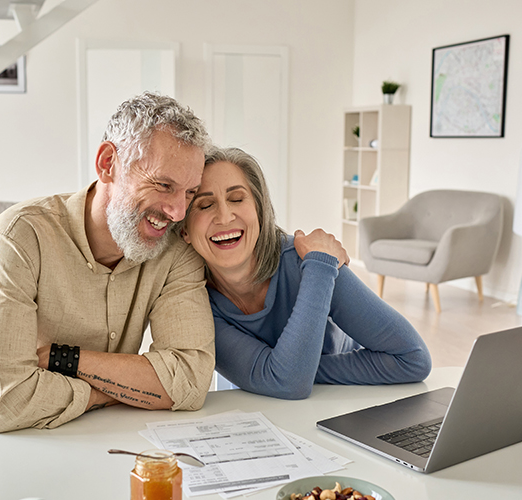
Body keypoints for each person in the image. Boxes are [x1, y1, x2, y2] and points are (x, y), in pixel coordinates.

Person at [0, 93, 216, 433]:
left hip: (100, 441)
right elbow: (6, 402)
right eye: (163, 185)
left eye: (189, 192)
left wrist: (62, 359)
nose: (178, 212)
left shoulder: (175, 252)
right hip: (3, 445)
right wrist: (114, 392)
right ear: (108, 163)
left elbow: (189, 380)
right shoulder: (19, 237)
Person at [182, 147, 431, 400]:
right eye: (205, 205)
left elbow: (413, 358)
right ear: (184, 231)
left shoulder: (312, 262)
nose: (225, 216)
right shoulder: (192, 303)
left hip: (341, 404)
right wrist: (287, 371)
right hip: (259, 414)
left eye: (236, 199)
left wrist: (290, 369)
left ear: (259, 210)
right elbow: (287, 382)